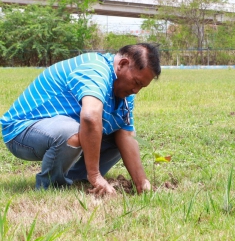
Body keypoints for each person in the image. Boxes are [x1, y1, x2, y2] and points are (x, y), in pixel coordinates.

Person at [1, 43, 161, 196]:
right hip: (21, 131)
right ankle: (51, 186)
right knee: (71, 132)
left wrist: (141, 182)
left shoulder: (124, 93)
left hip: (54, 129)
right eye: (136, 82)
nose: (135, 90)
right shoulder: (95, 68)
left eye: (141, 87)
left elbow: (126, 135)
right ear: (123, 64)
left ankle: (77, 180)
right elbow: (90, 117)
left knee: (117, 137)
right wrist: (95, 174)